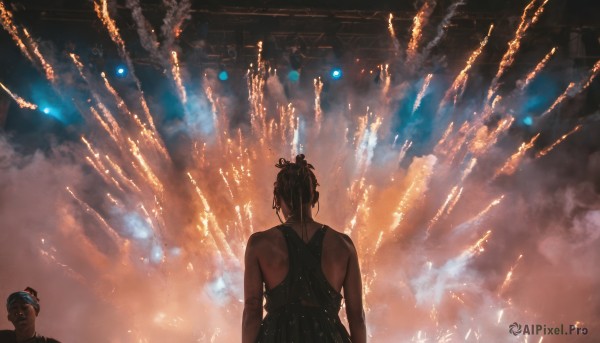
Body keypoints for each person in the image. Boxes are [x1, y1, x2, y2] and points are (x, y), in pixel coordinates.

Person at [243, 154, 367, 343]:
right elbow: (356, 315)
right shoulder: (344, 245)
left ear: (277, 198)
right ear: (315, 197)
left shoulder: (259, 244)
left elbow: (252, 308)